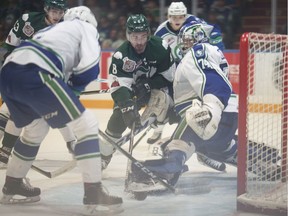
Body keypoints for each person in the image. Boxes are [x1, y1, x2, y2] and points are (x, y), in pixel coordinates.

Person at [0, 6, 123, 212]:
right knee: (87, 124)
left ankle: (11, 185)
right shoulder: (86, 29)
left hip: (8, 74)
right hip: (36, 74)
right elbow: (91, 68)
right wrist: (73, 90)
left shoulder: (50, 31)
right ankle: (94, 192)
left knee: (35, 130)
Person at [130, 22, 282, 188]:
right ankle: (262, 157)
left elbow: (215, 83)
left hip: (212, 112)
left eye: (188, 40)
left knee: (179, 142)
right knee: (214, 146)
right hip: (226, 117)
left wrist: (211, 110)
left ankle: (168, 170)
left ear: (199, 39)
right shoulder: (197, 56)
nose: (183, 44)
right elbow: (192, 91)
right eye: (183, 40)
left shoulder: (198, 52)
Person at [0, 0, 76, 166]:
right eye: (54, 11)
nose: (57, 16)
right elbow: (11, 47)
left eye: (60, 12)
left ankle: (5, 151)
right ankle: (72, 143)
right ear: (46, 9)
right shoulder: (28, 20)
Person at [100, 14, 176, 170]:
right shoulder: (121, 56)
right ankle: (104, 155)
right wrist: (127, 107)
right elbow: (119, 86)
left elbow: (170, 78)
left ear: (148, 34)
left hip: (157, 91)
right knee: (118, 117)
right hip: (133, 93)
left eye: (143, 36)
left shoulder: (161, 48)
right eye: (135, 37)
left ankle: (158, 125)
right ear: (128, 35)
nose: (139, 42)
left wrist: (149, 84)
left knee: (166, 103)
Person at [148, 1, 224, 145]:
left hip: (192, 69)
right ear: (168, 16)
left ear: (185, 15)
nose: (177, 20)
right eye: (174, 17)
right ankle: (158, 129)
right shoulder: (161, 31)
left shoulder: (194, 22)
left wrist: (216, 43)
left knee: (188, 103)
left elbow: (214, 30)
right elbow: (155, 52)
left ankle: (190, 132)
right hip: (172, 70)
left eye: (181, 16)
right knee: (164, 100)